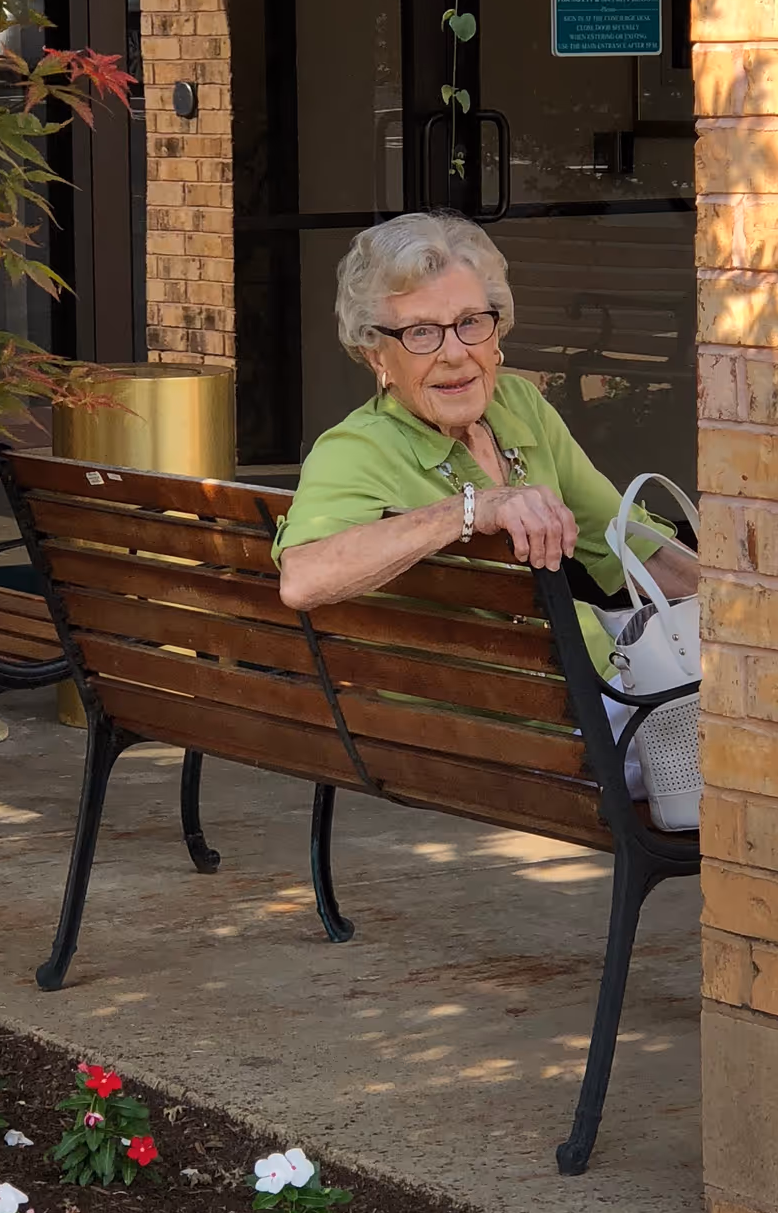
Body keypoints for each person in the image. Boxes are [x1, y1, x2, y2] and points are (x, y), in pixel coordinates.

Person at [273, 212, 697, 785]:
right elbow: (303, 577)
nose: (454, 353)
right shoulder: (358, 448)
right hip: (531, 733)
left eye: (471, 322)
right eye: (421, 332)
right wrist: (471, 510)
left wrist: (759, 612)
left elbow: (624, 542)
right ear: (378, 357)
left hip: (599, 696)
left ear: (496, 333)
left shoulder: (517, 406)